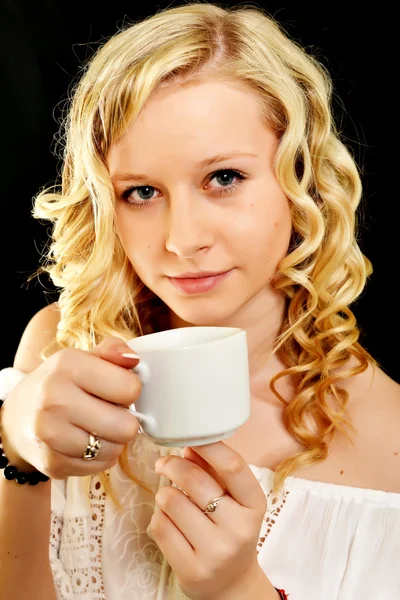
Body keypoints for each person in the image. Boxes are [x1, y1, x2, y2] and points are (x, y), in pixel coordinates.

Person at [0, 2, 399, 599]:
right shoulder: (59, 347)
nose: (182, 240)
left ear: (302, 178)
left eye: (224, 178)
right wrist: (16, 454)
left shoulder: (390, 440)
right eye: (140, 192)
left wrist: (240, 588)